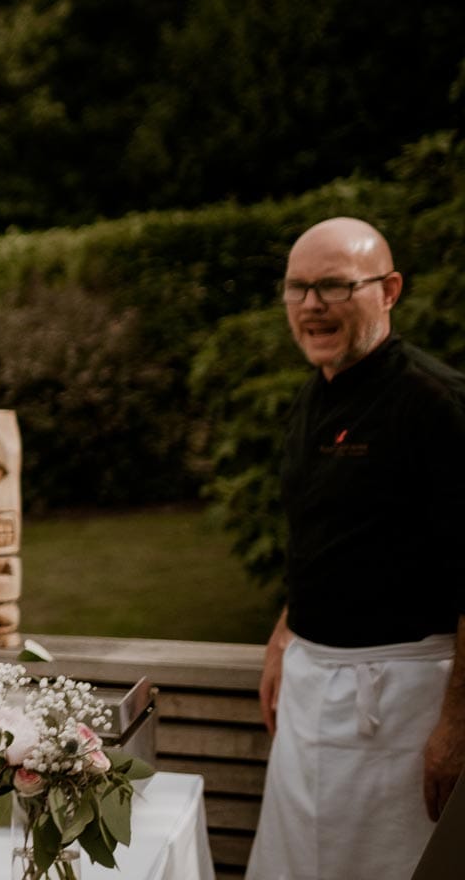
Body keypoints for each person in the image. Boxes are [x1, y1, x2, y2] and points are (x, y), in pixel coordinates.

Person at [248, 217, 465, 880]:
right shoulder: (312, 398)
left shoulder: (437, 404)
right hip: (309, 692)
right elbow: (321, 534)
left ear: (389, 289)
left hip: (403, 705)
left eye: (335, 286)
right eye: (298, 289)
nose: (312, 305)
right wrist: (285, 635)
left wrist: (456, 723)